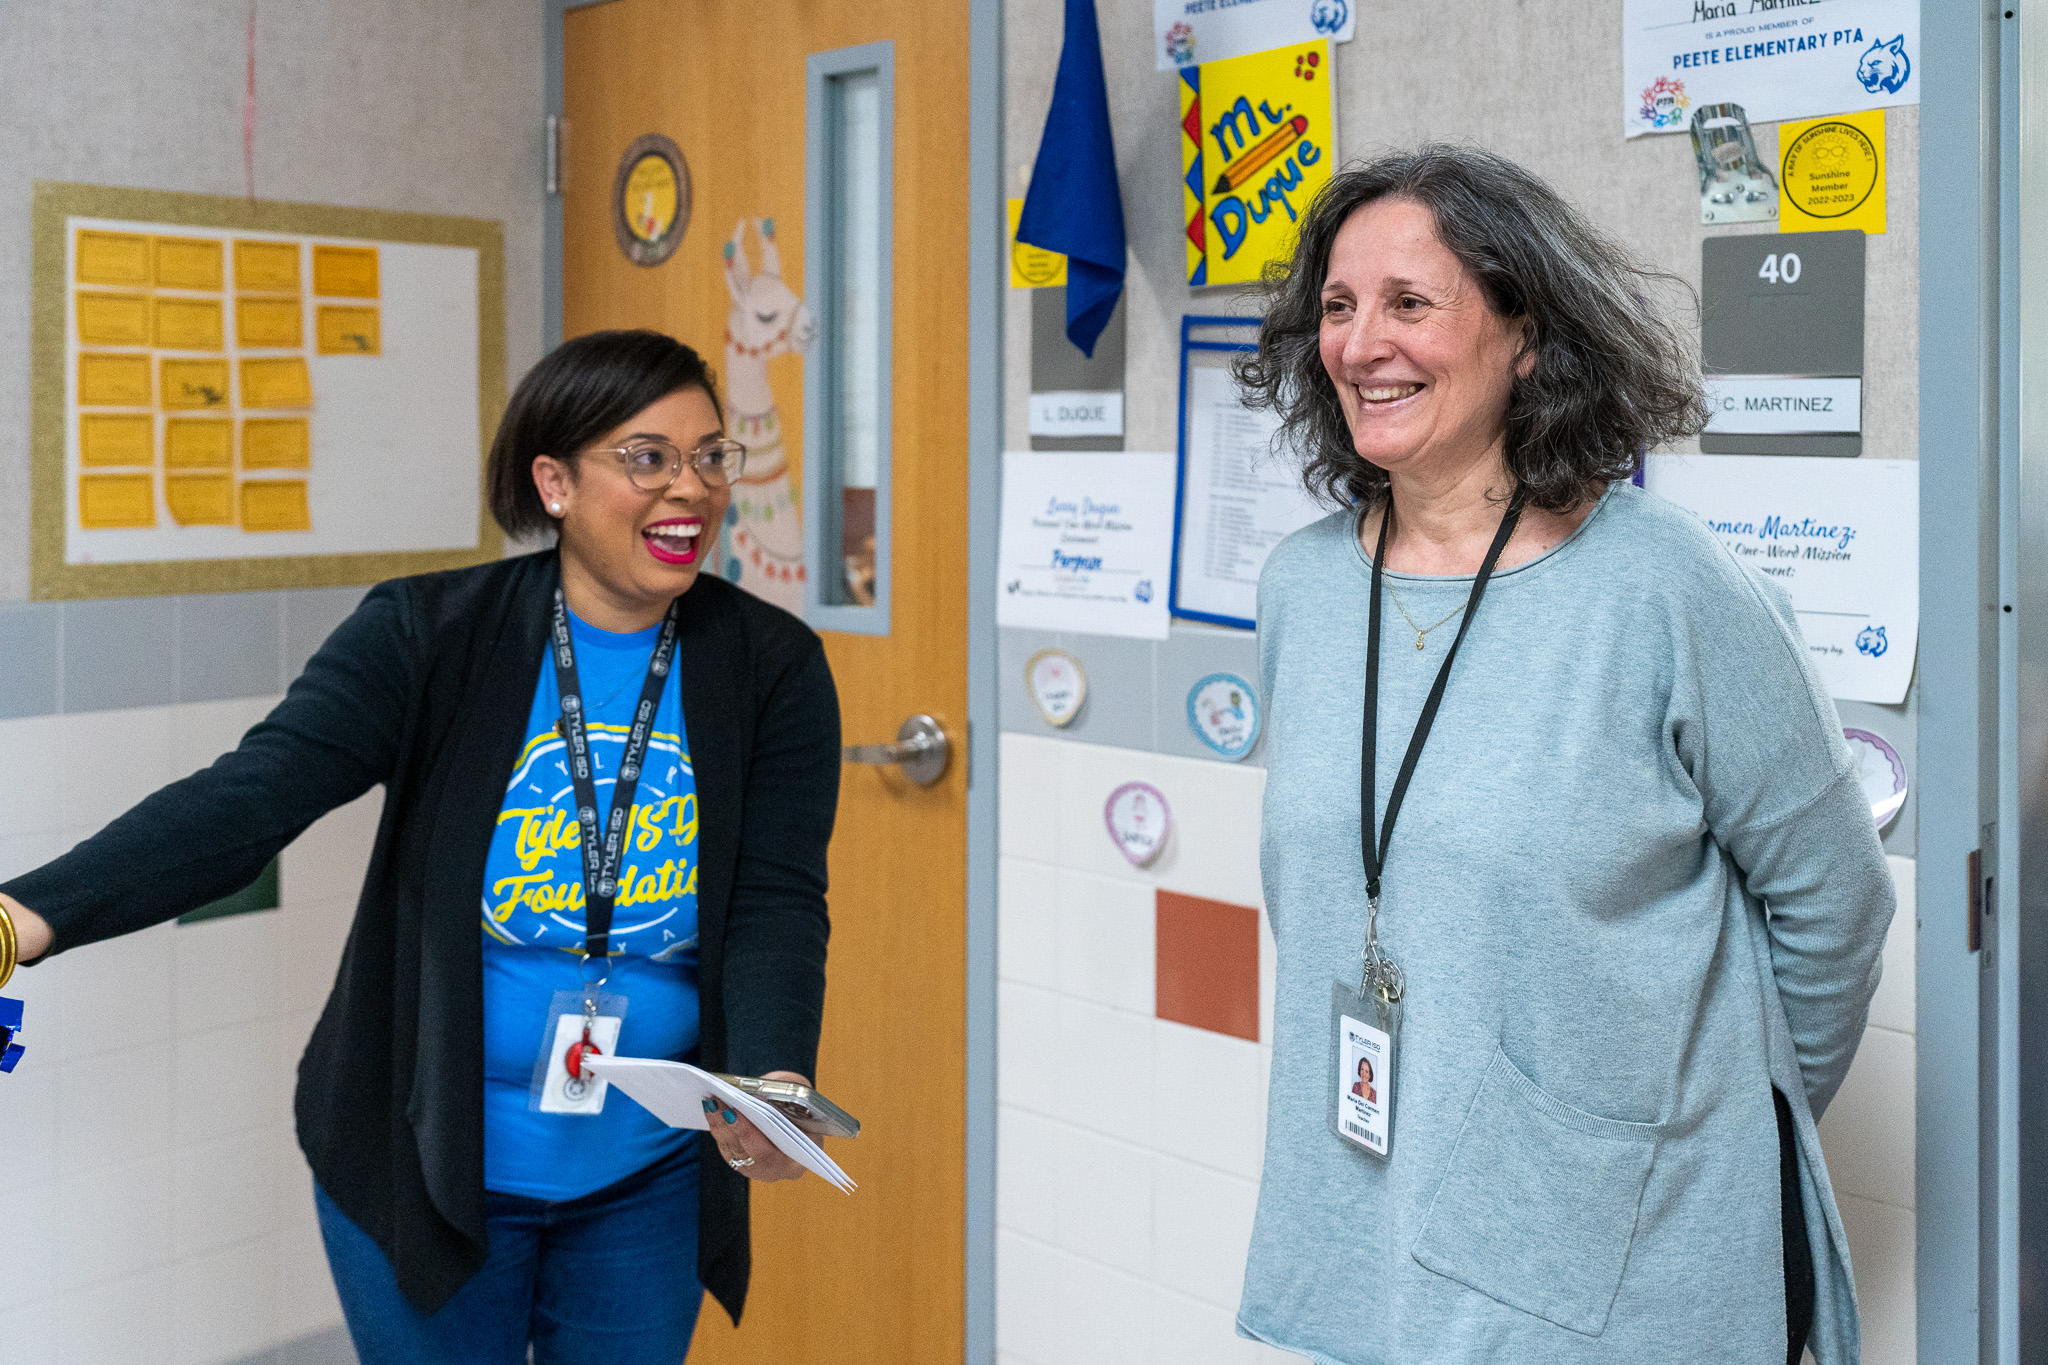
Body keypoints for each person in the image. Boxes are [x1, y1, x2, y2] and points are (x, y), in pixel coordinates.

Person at [0, 329, 841, 1365]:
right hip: (421, 1151)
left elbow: (774, 898)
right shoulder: (427, 632)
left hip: (647, 1176)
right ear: (554, 481)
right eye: (646, 457)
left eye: (710, 455)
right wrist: (17, 922)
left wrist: (769, 1076)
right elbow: (250, 800)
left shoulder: (771, 666)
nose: (690, 489)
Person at [1231, 147, 1892, 1365]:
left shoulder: (1663, 587)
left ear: (1525, 337)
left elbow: (1833, 903)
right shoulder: (1301, 589)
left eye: (1409, 303)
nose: (1359, 341)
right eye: (1336, 305)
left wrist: (1677, 1134)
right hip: (1367, 1200)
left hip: (1617, 1250)